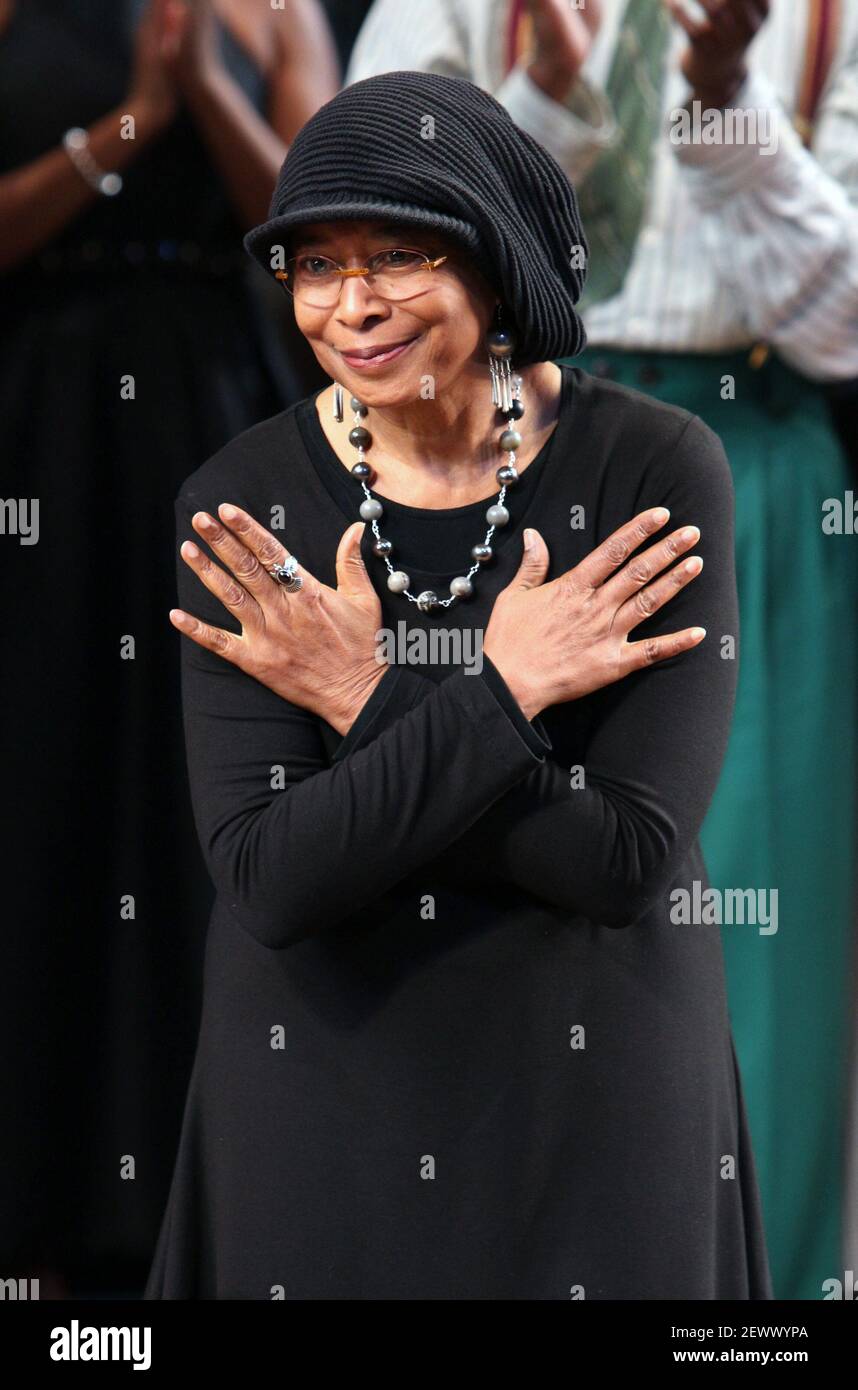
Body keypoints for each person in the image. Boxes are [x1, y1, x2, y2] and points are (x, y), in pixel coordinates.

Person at [143, 70, 772, 1300]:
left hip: (600, 1084)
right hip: (325, 1080)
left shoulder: (655, 470)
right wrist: (505, 693)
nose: (351, 305)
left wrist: (369, 695)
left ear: (499, 263)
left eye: (395, 256)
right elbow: (273, 874)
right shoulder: (242, 503)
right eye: (313, 266)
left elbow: (622, 859)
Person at [345, 0, 858, 1302]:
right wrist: (552, 119)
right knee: (474, 919)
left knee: (752, 950)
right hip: (492, 456)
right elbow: (361, 256)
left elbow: (844, 317)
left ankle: (750, 1313)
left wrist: (723, 92)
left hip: (751, 451)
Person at [0, 0, 339, 1289]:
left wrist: (203, 86)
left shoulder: (270, 9)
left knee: (205, 803)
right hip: (38, 423)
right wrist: (123, 129)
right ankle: (33, 1212)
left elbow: (313, 250)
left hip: (213, 423)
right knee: (42, 789)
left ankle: (205, 1208)